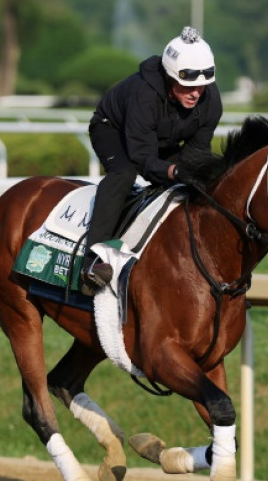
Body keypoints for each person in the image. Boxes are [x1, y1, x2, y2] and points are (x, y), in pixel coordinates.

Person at [81, 26, 223, 295]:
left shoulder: (211, 101)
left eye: (202, 87)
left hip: (158, 139)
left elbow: (197, 152)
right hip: (113, 129)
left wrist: (191, 172)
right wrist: (173, 170)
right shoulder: (144, 95)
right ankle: (92, 263)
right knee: (123, 175)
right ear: (171, 79)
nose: (196, 93)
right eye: (188, 86)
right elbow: (142, 159)